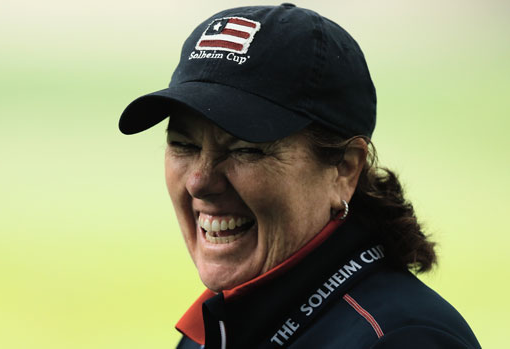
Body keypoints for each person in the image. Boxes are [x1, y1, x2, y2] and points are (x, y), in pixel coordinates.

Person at [119, 4, 481, 348]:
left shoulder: (401, 340)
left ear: (345, 168)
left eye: (245, 149)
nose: (200, 181)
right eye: (184, 145)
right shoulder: (216, 328)